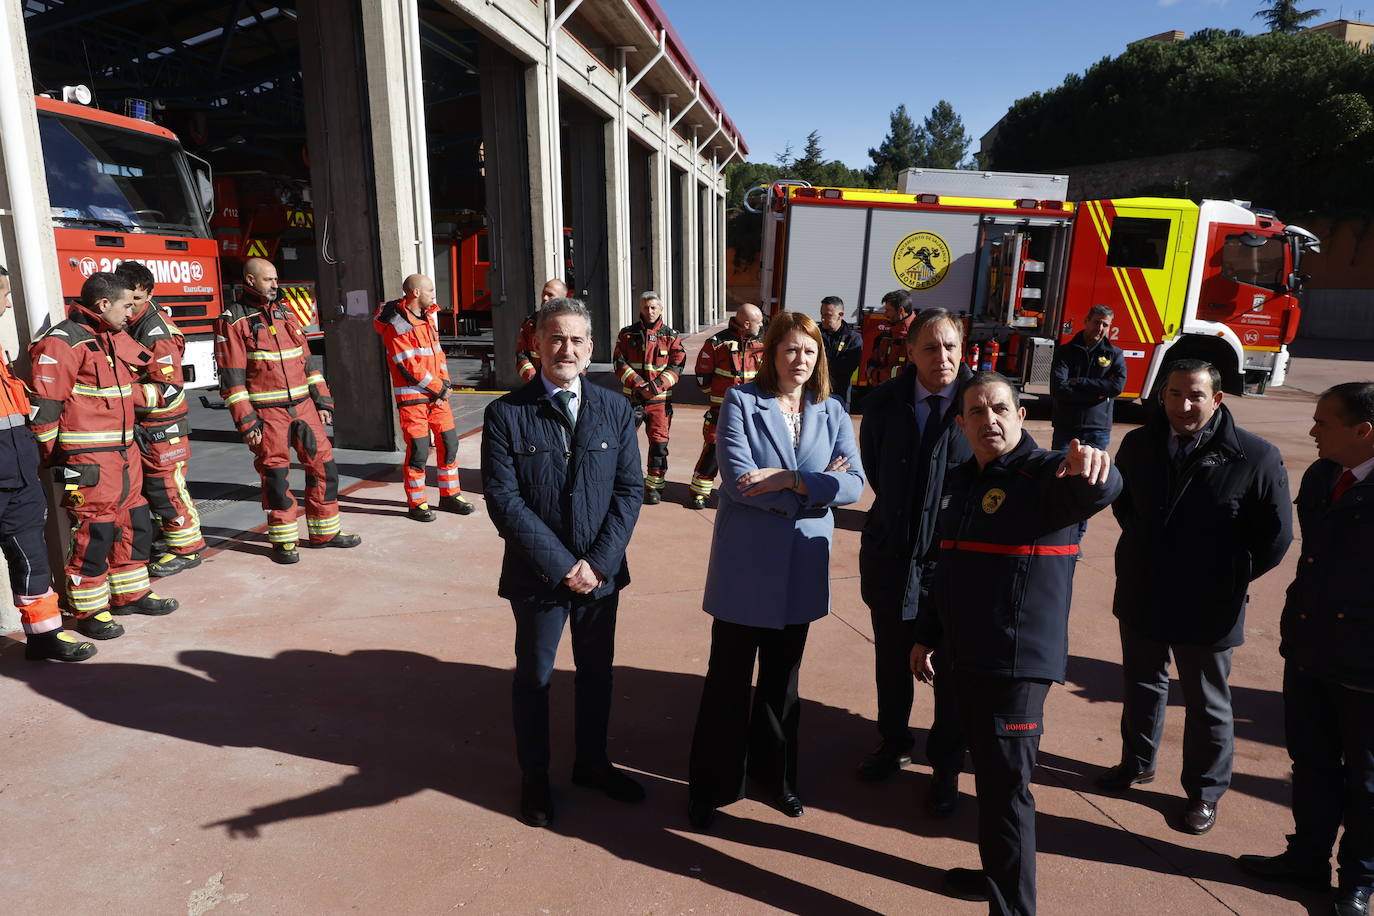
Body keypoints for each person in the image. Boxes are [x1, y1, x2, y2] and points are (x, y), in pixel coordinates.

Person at [911, 371, 1121, 915]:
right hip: (965, 655)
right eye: (976, 412)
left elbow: (1094, 487)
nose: (990, 421)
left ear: (1021, 415)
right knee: (989, 782)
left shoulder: (1044, 472)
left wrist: (1097, 470)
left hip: (1015, 665)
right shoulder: (964, 479)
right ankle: (994, 874)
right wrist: (927, 635)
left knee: (1007, 795)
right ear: (961, 424)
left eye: (1000, 408)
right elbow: (946, 565)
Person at [687, 311, 865, 830]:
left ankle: (776, 777)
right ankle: (713, 787)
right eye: (791, 349)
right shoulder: (742, 402)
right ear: (770, 353)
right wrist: (814, 488)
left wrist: (788, 479)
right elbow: (740, 480)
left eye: (809, 351)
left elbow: (854, 483)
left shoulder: (831, 410)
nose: (800, 360)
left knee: (783, 683)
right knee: (728, 680)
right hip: (746, 567)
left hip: (801, 567)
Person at [1099, 359, 1292, 836]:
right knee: (1142, 683)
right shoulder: (1139, 443)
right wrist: (1150, 552)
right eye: (1174, 394)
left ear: (1218, 399)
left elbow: (1276, 537)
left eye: (1195, 396)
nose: (1184, 406)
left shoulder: (1254, 456)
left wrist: (1228, 577)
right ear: (1161, 395)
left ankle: (1204, 792)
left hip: (1210, 602)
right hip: (1144, 588)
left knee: (1207, 700)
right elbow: (1126, 505)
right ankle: (1137, 762)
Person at [481, 296, 644, 829]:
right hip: (537, 579)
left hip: (600, 576)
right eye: (555, 338)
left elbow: (628, 491)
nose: (566, 349)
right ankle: (535, 777)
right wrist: (562, 565)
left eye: (576, 340)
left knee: (597, 674)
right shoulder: (506, 413)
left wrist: (596, 564)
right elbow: (504, 501)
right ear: (536, 344)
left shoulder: (617, 409)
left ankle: (593, 764)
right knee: (535, 678)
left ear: (591, 348)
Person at [1238, 381, 1374, 916]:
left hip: (1366, 662)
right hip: (1311, 643)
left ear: (1363, 432)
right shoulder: (1322, 475)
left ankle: (1358, 881)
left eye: (1324, 422)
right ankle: (1308, 858)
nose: (1312, 431)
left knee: (1365, 780)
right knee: (1311, 761)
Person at [856, 308, 973, 816]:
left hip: (953, 567)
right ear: (910, 352)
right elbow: (877, 471)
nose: (942, 357)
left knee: (952, 671)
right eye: (930, 347)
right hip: (891, 557)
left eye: (950, 346)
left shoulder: (983, 401)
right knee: (891, 661)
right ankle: (893, 741)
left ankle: (946, 769)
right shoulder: (883, 403)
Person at [28, 272, 179, 639]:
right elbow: (45, 413)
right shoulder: (62, 343)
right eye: (128, 304)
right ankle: (90, 609)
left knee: (135, 521)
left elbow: (156, 373)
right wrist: (55, 460)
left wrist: (155, 389)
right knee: (96, 531)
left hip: (125, 451)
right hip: (89, 459)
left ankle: (130, 592)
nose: (133, 312)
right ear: (104, 304)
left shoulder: (112, 336)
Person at [214, 257, 361, 563]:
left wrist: (322, 401)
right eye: (269, 280)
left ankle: (325, 532)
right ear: (250, 280)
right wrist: (247, 422)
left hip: (305, 408)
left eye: (276, 279)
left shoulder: (285, 312)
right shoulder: (232, 320)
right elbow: (232, 378)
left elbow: (307, 362)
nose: (275, 285)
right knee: (276, 477)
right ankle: (284, 541)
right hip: (268, 414)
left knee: (324, 467)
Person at [0, 265, 96, 661]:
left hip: (18, 479)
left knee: (31, 559)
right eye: (4, 293)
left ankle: (43, 636)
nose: (8, 301)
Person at [114, 260, 205, 577]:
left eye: (136, 301)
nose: (130, 309)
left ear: (149, 294)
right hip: (143, 425)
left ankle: (188, 549)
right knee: (150, 490)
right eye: (126, 301)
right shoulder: (130, 325)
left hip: (163, 426)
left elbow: (168, 387)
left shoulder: (156, 331)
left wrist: (119, 394)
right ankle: (167, 540)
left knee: (168, 488)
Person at [374, 273, 474, 522]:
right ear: (416, 293)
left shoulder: (427, 318)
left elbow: (438, 356)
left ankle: (450, 495)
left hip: (437, 397)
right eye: (430, 290)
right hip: (413, 400)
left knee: (449, 444)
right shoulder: (396, 323)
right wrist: (440, 388)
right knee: (419, 451)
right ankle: (417, 503)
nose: (434, 295)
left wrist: (445, 385)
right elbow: (407, 365)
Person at [687, 303, 765, 510]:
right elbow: (703, 377)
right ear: (747, 323)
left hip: (754, 412)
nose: (762, 325)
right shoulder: (716, 343)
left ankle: (749, 492)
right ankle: (700, 492)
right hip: (721, 410)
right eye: (759, 322)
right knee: (713, 450)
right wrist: (717, 399)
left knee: (754, 453)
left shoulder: (764, 344)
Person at [612, 291, 686, 504]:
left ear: (661, 310)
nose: (650, 311)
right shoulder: (627, 334)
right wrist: (639, 385)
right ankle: (623, 483)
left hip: (659, 403)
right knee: (623, 442)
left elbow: (677, 365)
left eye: (654, 307)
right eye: (646, 307)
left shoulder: (671, 337)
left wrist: (654, 387)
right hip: (632, 400)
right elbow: (619, 362)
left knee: (659, 445)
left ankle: (654, 487)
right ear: (640, 309)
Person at [1048, 305, 1126, 452]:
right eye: (1096, 322)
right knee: (1059, 472)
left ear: (1109, 327)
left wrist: (1079, 382)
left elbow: (1116, 387)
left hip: (1098, 431)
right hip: (1066, 428)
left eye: (1105, 324)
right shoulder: (1065, 352)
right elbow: (1058, 389)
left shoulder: (1115, 354)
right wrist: (1098, 394)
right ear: (1086, 321)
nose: (1100, 327)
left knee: (1092, 474)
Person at [515, 279, 567, 383]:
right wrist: (532, 378)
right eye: (543, 293)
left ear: (562, 299)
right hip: (536, 383)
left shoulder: (574, 323)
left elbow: (584, 356)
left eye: (550, 295)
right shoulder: (531, 323)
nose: (544, 298)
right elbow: (521, 355)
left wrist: (571, 379)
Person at [818, 296, 863, 409]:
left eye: (828, 315)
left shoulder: (853, 338)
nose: (823, 319)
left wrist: (822, 365)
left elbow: (848, 366)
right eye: (822, 314)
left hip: (840, 393)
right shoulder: (815, 335)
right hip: (815, 392)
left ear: (841, 315)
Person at [865, 289, 914, 387]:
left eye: (888, 310)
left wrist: (877, 375)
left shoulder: (917, 337)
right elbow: (872, 363)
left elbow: (910, 374)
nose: (884, 315)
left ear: (900, 310)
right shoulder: (885, 336)